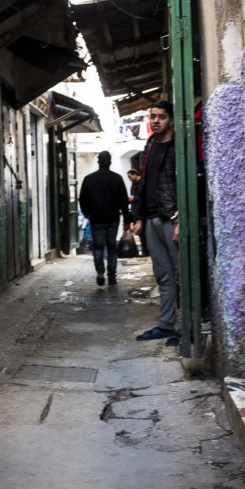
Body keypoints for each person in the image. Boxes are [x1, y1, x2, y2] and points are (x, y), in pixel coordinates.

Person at [132, 100, 180, 344]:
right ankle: (166, 324)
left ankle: (184, 326)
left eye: (161, 117)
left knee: (181, 272)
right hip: (151, 218)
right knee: (163, 274)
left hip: (170, 216)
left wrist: (182, 216)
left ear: (170, 119)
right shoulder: (150, 145)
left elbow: (185, 181)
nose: (155, 121)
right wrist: (138, 217)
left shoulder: (178, 145)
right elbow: (143, 183)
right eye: (152, 116)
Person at [78, 151, 131, 285]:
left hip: (96, 218)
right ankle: (112, 277)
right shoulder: (117, 178)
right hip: (113, 218)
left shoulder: (89, 179)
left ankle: (100, 272)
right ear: (110, 162)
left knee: (98, 247)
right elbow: (123, 201)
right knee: (112, 248)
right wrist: (127, 219)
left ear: (98, 162)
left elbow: (82, 199)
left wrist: (87, 213)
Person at [126, 169, 149, 256]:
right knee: (140, 232)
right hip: (136, 211)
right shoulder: (133, 185)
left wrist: (134, 198)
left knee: (143, 232)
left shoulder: (143, 183)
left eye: (130, 176)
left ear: (135, 174)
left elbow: (143, 198)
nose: (129, 179)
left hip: (142, 211)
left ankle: (146, 250)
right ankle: (144, 250)